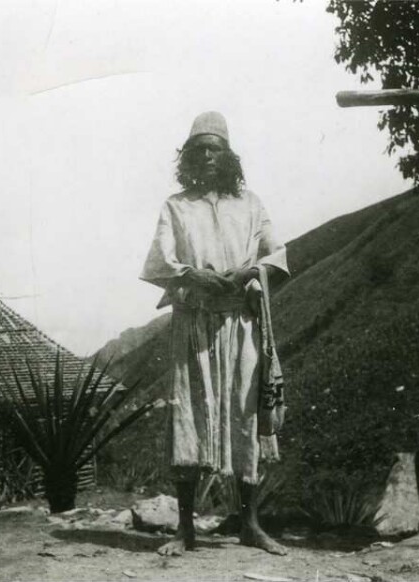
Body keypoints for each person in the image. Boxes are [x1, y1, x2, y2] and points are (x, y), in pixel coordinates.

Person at [140, 111, 289, 556]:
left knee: (244, 415)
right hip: (196, 323)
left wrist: (250, 270)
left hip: (241, 324)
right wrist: (196, 278)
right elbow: (160, 261)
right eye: (199, 149)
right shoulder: (176, 206)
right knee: (190, 415)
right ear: (187, 156)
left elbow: (276, 253)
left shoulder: (251, 205)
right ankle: (185, 529)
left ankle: (250, 525)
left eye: (215, 148)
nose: (207, 156)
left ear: (228, 156)